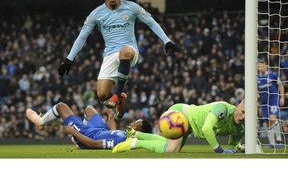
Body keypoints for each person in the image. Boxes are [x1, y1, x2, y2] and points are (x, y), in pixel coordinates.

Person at [58, 0, 180, 119]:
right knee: (102, 94)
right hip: (110, 54)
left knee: (125, 52)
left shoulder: (132, 7)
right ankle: (120, 100)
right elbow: (82, 37)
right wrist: (69, 59)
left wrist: (166, 41)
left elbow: (151, 22)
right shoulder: (96, 14)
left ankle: (117, 94)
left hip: (129, 50)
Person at [112, 99, 245, 154]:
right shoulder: (223, 109)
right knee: (171, 149)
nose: (243, 117)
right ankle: (133, 143)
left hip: (190, 126)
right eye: (243, 112)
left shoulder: (240, 128)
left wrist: (234, 149)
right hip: (182, 114)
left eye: (247, 115)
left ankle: (136, 134)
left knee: (171, 146)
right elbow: (206, 128)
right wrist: (220, 150)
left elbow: (233, 145)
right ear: (238, 106)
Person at [26, 102, 152, 149]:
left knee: (61, 106)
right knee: (89, 109)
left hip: (88, 135)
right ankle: (78, 128)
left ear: (140, 132)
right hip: (99, 130)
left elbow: (94, 144)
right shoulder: (124, 135)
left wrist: (74, 132)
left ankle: (40, 122)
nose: (132, 123)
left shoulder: (124, 140)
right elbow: (112, 134)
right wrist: (111, 118)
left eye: (135, 125)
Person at [257, 59, 284, 148]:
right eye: (260, 66)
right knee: (266, 123)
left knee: (273, 118)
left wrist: (282, 97)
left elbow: (280, 85)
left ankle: (279, 140)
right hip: (264, 102)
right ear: (257, 67)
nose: (262, 68)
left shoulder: (273, 75)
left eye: (263, 65)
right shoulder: (257, 78)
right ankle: (272, 144)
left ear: (266, 66)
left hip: (273, 99)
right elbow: (256, 91)